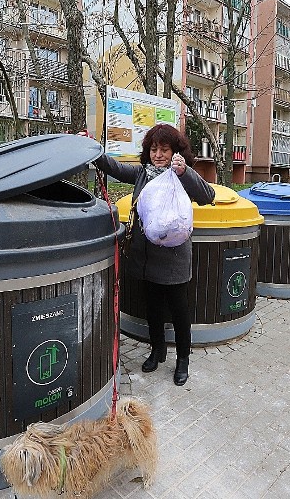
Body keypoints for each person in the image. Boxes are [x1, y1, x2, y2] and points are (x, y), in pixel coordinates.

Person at [94, 124, 214, 386]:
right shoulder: (142, 174)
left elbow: (208, 195)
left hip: (173, 259)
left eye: (164, 149)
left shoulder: (180, 175)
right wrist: (92, 149)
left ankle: (183, 359)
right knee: (153, 308)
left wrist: (185, 173)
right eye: (153, 149)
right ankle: (157, 350)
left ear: (175, 152)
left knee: (179, 311)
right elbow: (114, 168)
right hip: (146, 257)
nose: (158, 154)